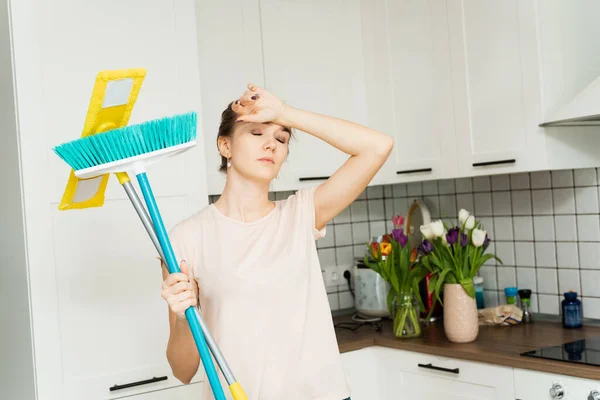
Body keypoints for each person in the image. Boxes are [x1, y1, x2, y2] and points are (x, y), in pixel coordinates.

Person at [159, 83, 393, 400]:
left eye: (281, 139)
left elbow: (378, 146)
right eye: (256, 133)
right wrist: (180, 316)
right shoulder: (184, 238)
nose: (271, 144)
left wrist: (286, 113)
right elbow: (182, 370)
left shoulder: (300, 214)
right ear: (224, 145)